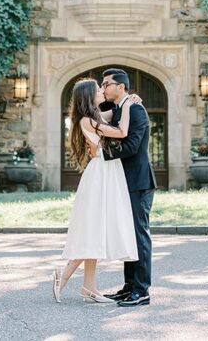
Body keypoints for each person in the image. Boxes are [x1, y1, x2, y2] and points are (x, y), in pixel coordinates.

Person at [52, 78, 139, 303]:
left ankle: (88, 287)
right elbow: (121, 132)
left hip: (107, 171)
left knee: (97, 229)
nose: (102, 90)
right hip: (101, 174)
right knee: (94, 228)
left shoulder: (95, 117)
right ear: (89, 96)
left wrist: (127, 102)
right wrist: (128, 104)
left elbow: (115, 114)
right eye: (98, 88)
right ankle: (64, 276)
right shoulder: (87, 121)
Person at [100, 67, 156, 307]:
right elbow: (96, 113)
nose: (103, 88)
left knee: (139, 235)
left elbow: (132, 146)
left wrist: (102, 152)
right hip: (124, 183)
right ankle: (129, 286)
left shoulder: (136, 109)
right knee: (128, 235)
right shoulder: (119, 108)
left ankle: (142, 290)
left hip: (139, 182)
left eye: (106, 84)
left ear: (120, 86)